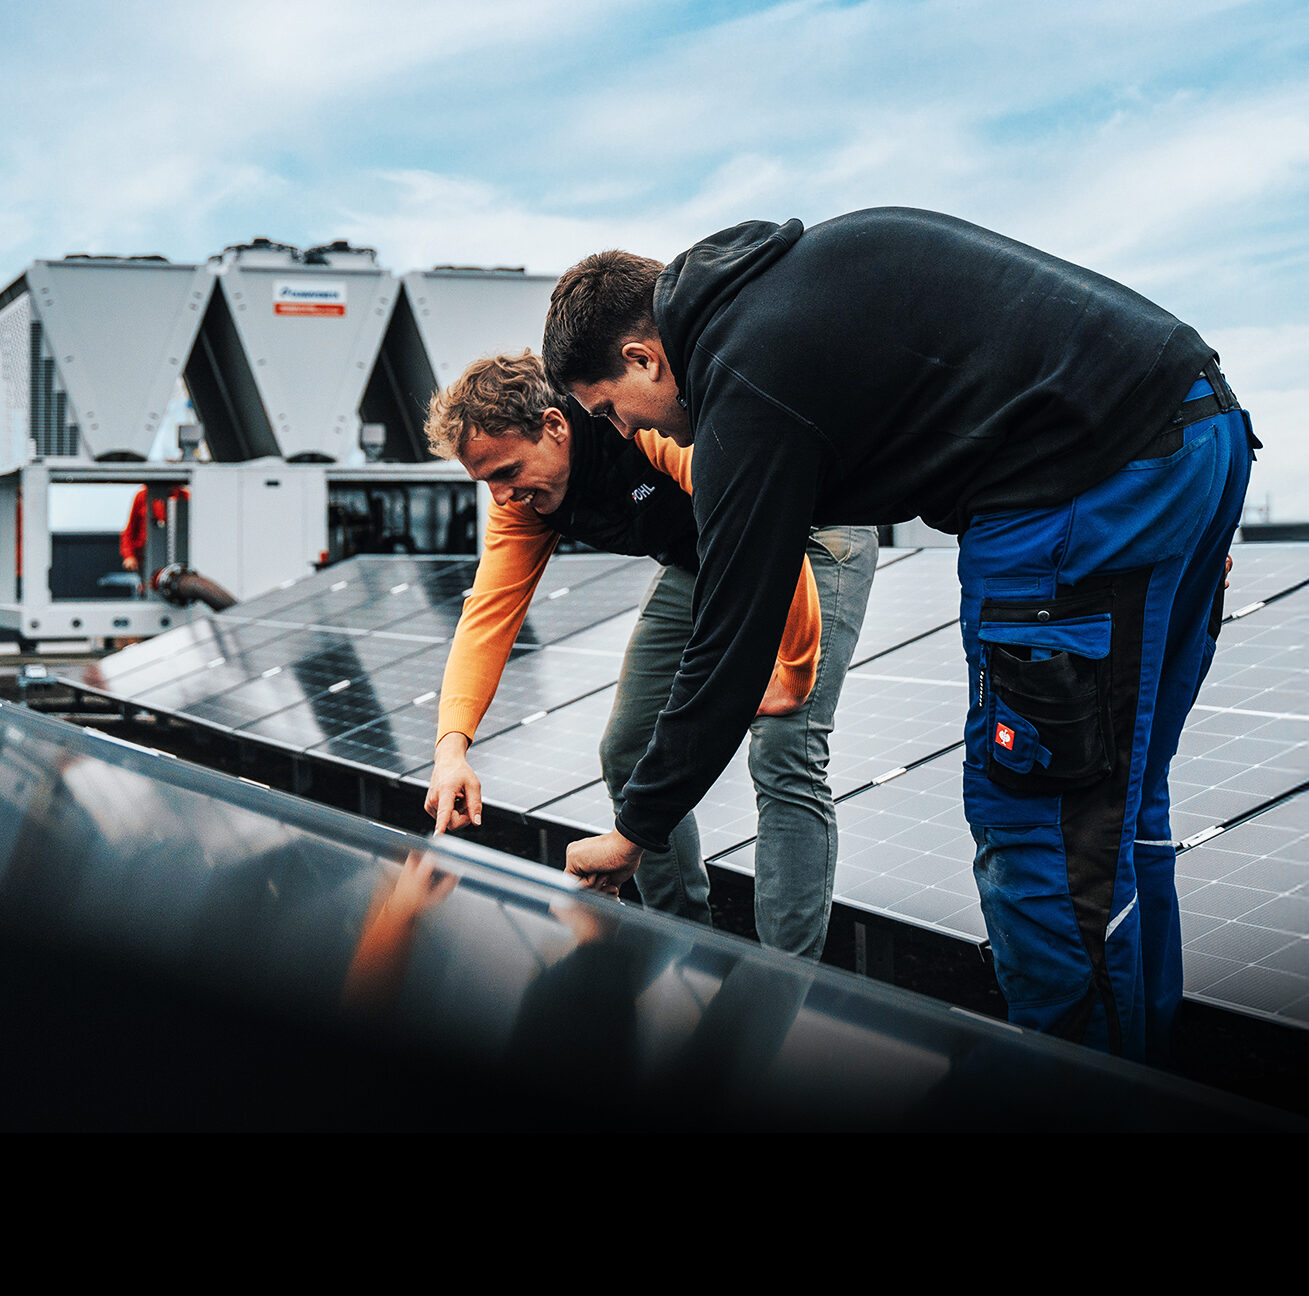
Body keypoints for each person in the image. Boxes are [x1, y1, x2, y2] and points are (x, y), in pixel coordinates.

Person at [542, 207, 1258, 1063]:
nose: (629, 434)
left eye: (612, 410)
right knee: (1124, 801)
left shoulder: (742, 377)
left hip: (1078, 492)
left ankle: (1078, 1099)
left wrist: (636, 829)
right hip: (1197, 431)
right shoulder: (781, 285)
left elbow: (730, 628)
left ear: (641, 356)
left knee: (1041, 823)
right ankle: (1150, 1078)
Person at [423, 351, 877, 958]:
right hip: (702, 557)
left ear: (555, 427)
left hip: (809, 533)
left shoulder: (637, 421)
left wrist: (791, 670)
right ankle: (681, 948)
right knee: (628, 748)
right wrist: (451, 750)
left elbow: (765, 518)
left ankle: (786, 983)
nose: (501, 497)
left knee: (785, 750)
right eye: (487, 483)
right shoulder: (522, 507)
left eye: (507, 471)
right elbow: (488, 616)